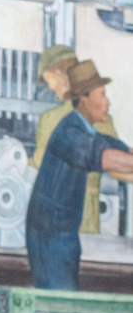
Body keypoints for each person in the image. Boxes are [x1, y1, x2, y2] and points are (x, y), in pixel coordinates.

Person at [26, 59, 133, 290]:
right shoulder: (69, 133)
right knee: (60, 305)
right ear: (83, 99)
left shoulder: (87, 130)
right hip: (50, 237)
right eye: (102, 96)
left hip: (63, 234)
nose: (108, 102)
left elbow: (121, 151)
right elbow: (105, 158)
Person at [32, 44, 118, 235]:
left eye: (49, 79)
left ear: (62, 75)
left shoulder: (49, 120)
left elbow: (39, 163)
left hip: (57, 219)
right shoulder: (104, 118)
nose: (50, 87)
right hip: (90, 217)